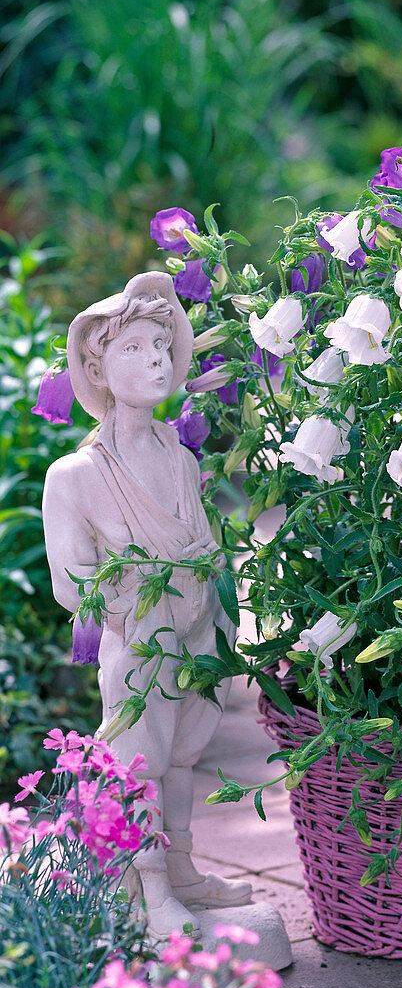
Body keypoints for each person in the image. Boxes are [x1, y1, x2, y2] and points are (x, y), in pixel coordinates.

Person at [43, 271, 251, 939]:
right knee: (140, 761)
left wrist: (215, 599)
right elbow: (71, 581)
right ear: (98, 367)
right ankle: (153, 893)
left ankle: (184, 868)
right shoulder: (75, 475)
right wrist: (135, 584)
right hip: (138, 642)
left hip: (198, 628)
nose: (157, 360)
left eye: (162, 346)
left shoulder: (179, 455)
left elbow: (205, 538)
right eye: (135, 348)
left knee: (187, 753)